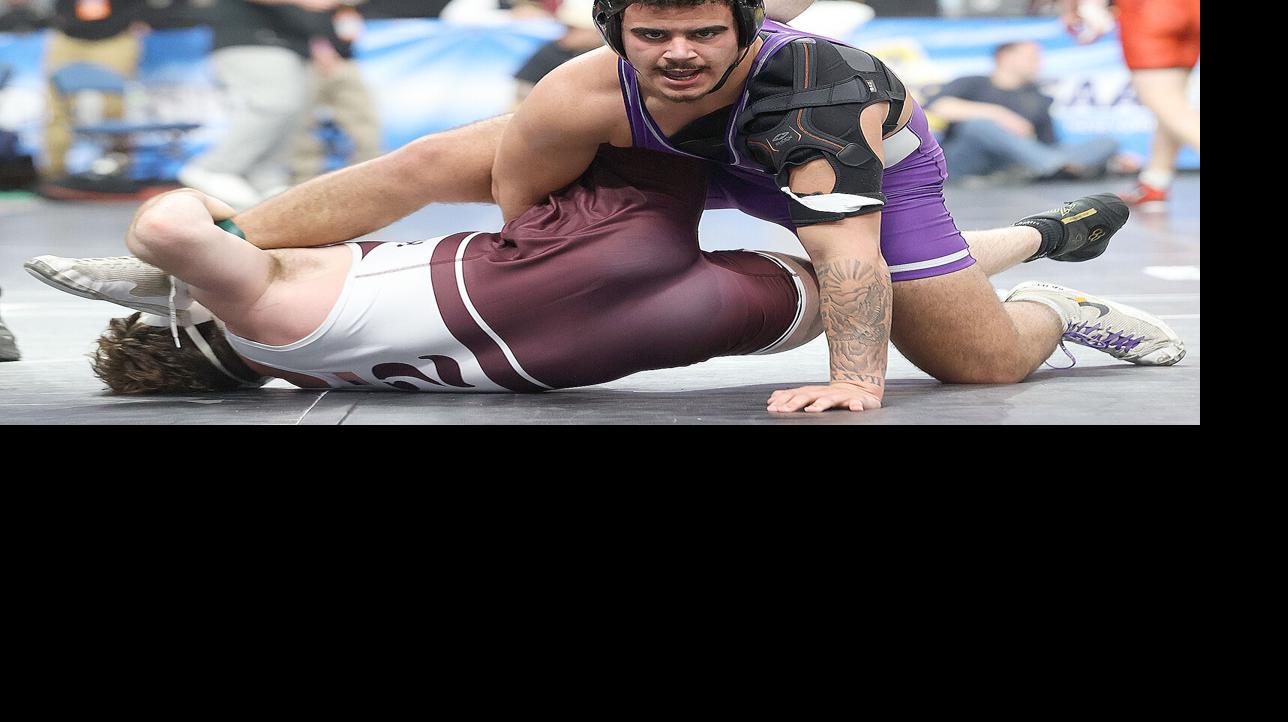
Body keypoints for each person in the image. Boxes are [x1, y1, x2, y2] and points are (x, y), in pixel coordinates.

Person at [33, 0, 1184, 411]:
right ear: (615, 33)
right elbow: (504, 191)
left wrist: (859, 380)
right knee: (438, 154)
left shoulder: (825, 96)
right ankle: (1044, 247)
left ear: (745, 31)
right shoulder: (584, 87)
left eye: (702, 34)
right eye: (652, 35)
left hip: (841, 180)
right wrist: (526, 235)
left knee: (962, 357)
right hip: (633, 213)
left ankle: (1031, 279)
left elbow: (846, 257)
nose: (678, 53)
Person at [35, 148, 1163, 406]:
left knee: (864, 282)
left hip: (597, 347)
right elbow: (176, 223)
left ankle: (1050, 266)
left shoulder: (297, 356)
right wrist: (185, 243)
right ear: (196, 320)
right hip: (536, 284)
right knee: (616, 110)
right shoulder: (245, 306)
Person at [176, 0, 336, 208]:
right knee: (274, 104)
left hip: (289, 44)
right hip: (249, 39)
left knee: (294, 114)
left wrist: (318, 43)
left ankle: (264, 179)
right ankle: (214, 168)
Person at [1062, 0, 1198, 208]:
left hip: (1149, 10)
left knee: (1167, 105)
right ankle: (1154, 181)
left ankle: (1154, 182)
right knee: (1172, 104)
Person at [925, 40, 1119, 183]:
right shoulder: (972, 82)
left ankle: (1050, 167)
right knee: (980, 125)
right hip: (965, 159)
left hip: (1013, 161)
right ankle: (1056, 168)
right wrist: (999, 115)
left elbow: (1048, 143)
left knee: (1107, 142)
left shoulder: (1036, 97)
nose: (1037, 63)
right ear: (1004, 58)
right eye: (1031, 57)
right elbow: (939, 107)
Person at [40, 0, 146, 181]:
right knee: (56, 108)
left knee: (115, 108)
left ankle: (118, 167)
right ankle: (54, 173)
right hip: (68, 36)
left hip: (114, 36)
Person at [289, 2, 382, 184]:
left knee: (362, 120)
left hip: (342, 58)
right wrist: (318, 44)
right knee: (304, 122)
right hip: (310, 58)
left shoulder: (345, 10)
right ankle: (301, 178)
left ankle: (370, 174)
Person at [513, 0, 605, 101]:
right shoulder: (550, 52)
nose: (569, 34)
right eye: (568, 28)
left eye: (574, 29)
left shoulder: (605, 55)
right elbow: (523, 88)